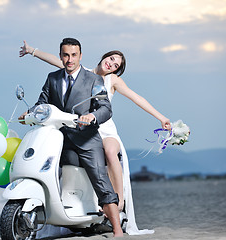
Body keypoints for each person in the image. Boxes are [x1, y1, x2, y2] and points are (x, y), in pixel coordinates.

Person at [19, 40, 171, 235]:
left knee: (107, 152)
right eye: (111, 59)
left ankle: (119, 202)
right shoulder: (76, 70)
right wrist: (32, 51)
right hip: (73, 128)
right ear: (104, 56)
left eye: (116, 65)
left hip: (102, 128)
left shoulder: (108, 80)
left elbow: (135, 98)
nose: (112, 64)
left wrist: (161, 118)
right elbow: (53, 63)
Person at [18, 38, 124, 237]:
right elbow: (43, 101)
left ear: (80, 56)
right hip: (59, 137)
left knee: (100, 179)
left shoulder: (93, 80)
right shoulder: (53, 78)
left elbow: (105, 108)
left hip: (87, 140)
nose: (69, 59)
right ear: (60, 56)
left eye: (74, 55)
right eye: (65, 55)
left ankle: (117, 229)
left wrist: (92, 116)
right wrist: (30, 112)